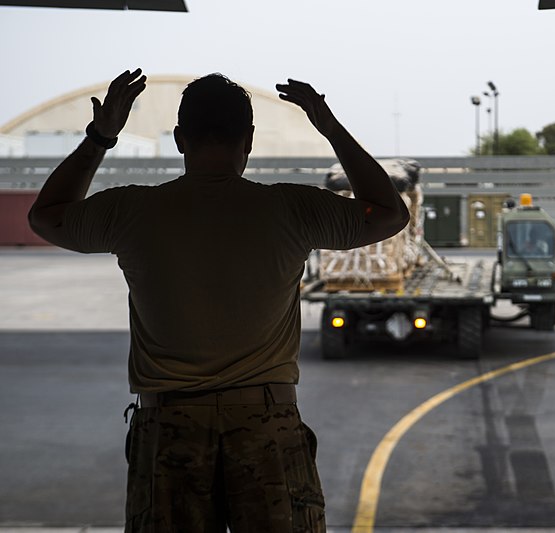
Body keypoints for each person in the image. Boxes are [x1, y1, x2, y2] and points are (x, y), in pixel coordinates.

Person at [28, 69, 409, 532]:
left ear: (179, 139)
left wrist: (100, 136)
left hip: (169, 428)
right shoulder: (292, 209)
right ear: (247, 140)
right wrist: (329, 126)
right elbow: (389, 213)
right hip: (267, 424)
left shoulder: (132, 211)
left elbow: (46, 217)